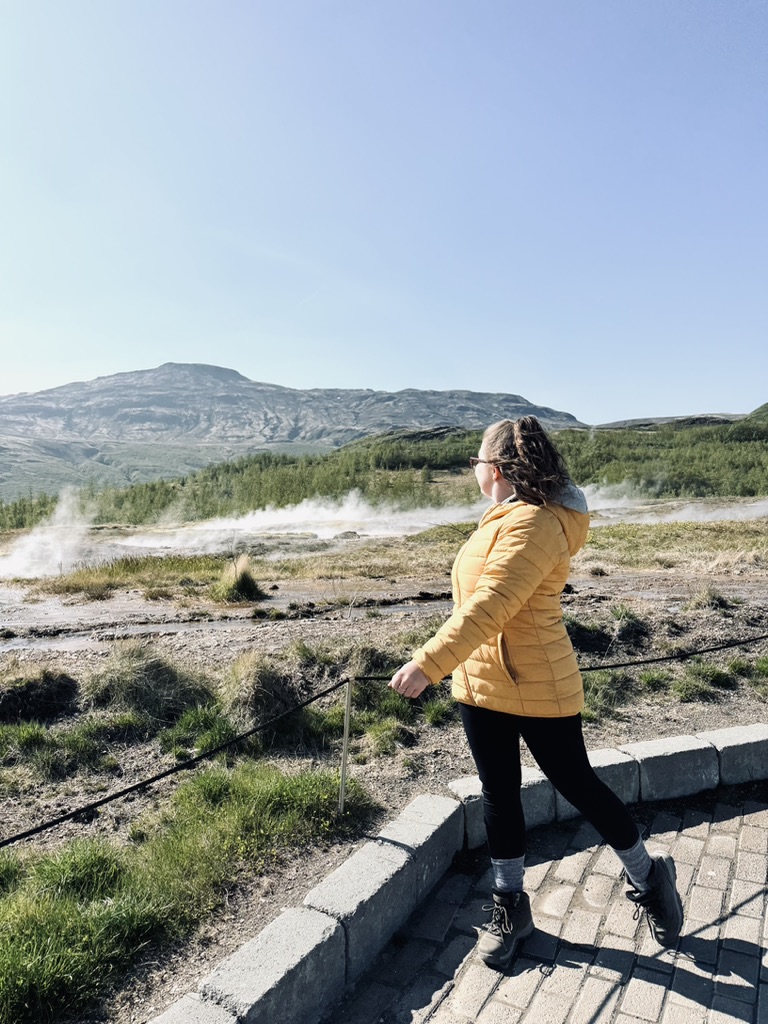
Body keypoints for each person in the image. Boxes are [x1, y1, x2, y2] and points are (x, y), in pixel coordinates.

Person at [389, 416, 683, 968]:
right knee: (498, 795)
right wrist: (454, 668)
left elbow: (491, 604)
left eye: (476, 462)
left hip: (539, 683)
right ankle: (510, 908)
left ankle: (650, 876)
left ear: (495, 468)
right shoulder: (504, 517)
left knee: (579, 785)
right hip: (479, 682)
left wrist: (426, 664)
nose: (475, 471)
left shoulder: (536, 524)